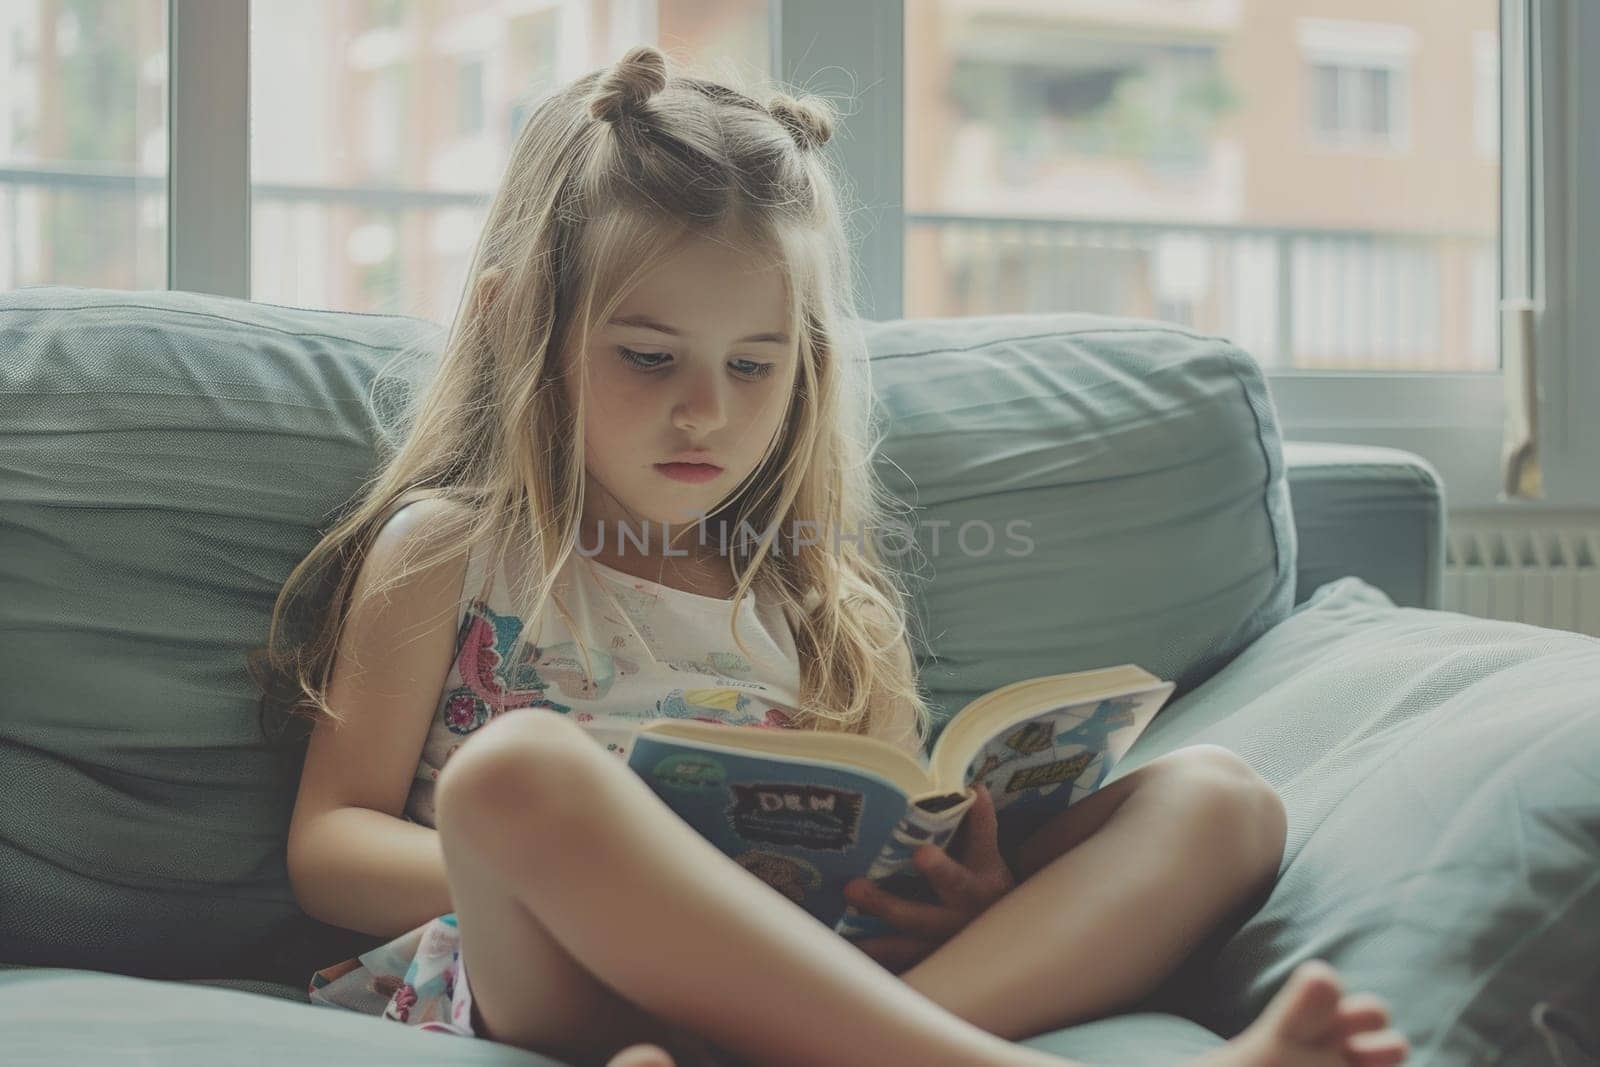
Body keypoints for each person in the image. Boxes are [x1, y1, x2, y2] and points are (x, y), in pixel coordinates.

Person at [251, 42, 1411, 1067]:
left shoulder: (815, 596)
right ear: (519, 326)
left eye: (752, 365)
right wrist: (653, 891)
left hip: (812, 981)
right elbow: (328, 844)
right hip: (551, 971)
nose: (706, 411)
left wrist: (964, 890)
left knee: (1220, 800)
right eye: (650, 358)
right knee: (514, 772)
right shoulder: (451, 547)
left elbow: (886, 817)